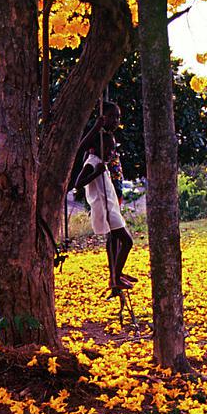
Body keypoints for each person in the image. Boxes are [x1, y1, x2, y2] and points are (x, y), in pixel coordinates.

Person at [74, 103, 134, 295]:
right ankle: (115, 277)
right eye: (112, 117)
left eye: (118, 117)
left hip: (111, 200)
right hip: (104, 206)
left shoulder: (103, 157)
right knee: (124, 241)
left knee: (122, 240)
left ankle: (117, 275)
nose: (116, 121)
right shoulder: (93, 158)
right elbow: (79, 182)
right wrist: (96, 126)